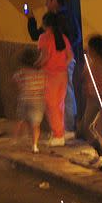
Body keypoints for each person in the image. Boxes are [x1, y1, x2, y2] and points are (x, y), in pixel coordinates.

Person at [26, 0, 81, 136]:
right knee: (60, 98)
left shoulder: (64, 18)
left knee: (61, 98)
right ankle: (62, 129)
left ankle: (67, 129)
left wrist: (60, 58)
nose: (46, 4)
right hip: (60, 66)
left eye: (47, 1)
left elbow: (71, 39)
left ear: (54, 0)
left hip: (58, 67)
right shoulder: (62, 18)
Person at [36, 13, 73, 147]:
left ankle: (58, 136)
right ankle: (58, 133)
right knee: (59, 105)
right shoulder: (63, 38)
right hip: (62, 75)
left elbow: (44, 56)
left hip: (50, 76)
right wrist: (61, 65)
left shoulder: (43, 38)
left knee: (51, 107)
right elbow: (70, 56)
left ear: (46, 24)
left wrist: (36, 66)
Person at [79, 35, 102, 167]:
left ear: (94, 49)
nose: (87, 49)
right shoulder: (92, 61)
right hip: (93, 99)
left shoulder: (101, 63)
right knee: (87, 128)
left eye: (89, 47)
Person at [13, 47, 46, 153]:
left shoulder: (22, 72)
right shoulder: (41, 73)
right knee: (35, 125)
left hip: (24, 99)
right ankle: (35, 145)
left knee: (20, 120)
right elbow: (44, 86)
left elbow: (16, 81)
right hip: (37, 101)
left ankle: (15, 140)